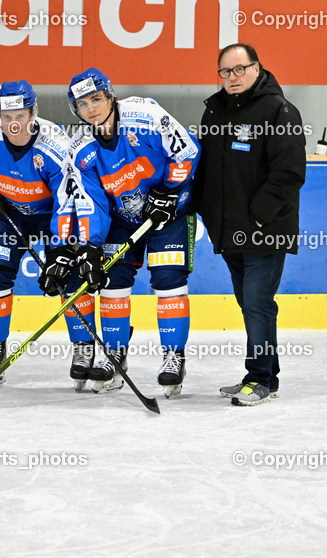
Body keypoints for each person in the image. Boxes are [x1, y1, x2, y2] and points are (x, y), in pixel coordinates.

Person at [0, 80, 107, 391]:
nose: (14, 124)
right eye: (6, 116)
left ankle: (84, 347)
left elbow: (68, 201)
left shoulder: (55, 147)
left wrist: (61, 249)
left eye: (21, 116)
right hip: (10, 213)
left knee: (68, 275)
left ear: (33, 114)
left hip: (53, 214)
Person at [67, 67, 200, 397]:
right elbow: (92, 201)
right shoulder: (81, 149)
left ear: (110, 95)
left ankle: (173, 356)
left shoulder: (146, 115)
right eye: (82, 105)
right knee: (113, 283)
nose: (91, 109)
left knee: (169, 280)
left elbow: (187, 150)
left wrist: (170, 190)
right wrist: (91, 245)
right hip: (123, 221)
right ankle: (115, 355)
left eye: (96, 99)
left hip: (169, 214)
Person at [194, 44, 306, 406]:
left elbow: (288, 172)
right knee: (251, 303)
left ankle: (257, 378)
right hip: (229, 231)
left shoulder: (279, 111)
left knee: (257, 302)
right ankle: (265, 377)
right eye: (225, 72)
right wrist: (206, 211)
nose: (232, 77)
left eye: (240, 69)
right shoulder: (214, 113)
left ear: (257, 68)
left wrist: (259, 215)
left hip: (265, 230)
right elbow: (208, 171)